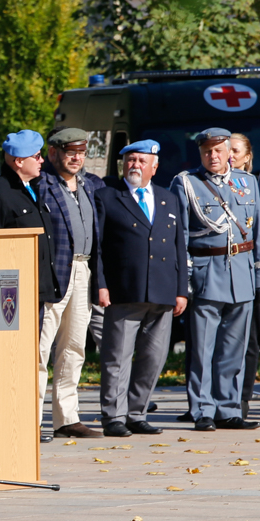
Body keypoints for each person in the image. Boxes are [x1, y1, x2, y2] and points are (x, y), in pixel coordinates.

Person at [174, 128, 260, 432]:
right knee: (202, 349)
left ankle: (228, 409)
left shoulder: (248, 182)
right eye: (206, 152)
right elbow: (180, 237)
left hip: (241, 273)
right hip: (206, 272)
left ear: (230, 152)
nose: (212, 157)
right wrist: (185, 281)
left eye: (218, 151)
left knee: (234, 348)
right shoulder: (187, 183)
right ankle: (202, 409)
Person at [93, 139, 188, 437]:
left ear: (154, 166)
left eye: (141, 161)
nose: (135, 165)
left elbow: (178, 246)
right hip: (124, 290)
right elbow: (97, 247)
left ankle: (137, 413)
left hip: (162, 290)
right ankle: (114, 417)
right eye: (130, 160)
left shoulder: (168, 198)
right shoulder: (107, 197)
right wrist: (101, 285)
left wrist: (182, 289)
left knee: (154, 357)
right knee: (117, 357)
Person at [0, 130, 64, 441]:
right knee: (12, 361)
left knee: (28, 360)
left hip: (35, 290)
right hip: (12, 293)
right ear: (19, 161)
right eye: (36, 157)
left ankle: (25, 422)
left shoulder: (30, 188)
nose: (42, 161)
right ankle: (11, 424)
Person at [37, 127, 105, 439]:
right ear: (53, 153)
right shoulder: (42, 184)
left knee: (75, 347)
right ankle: (32, 420)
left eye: (81, 151)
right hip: (53, 272)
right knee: (40, 348)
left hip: (84, 269)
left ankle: (67, 418)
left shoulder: (91, 185)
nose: (76, 157)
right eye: (69, 151)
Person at [228, 132, 260, 417]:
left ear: (247, 157)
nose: (228, 155)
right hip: (216, 272)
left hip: (247, 272)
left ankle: (242, 397)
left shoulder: (253, 186)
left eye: (235, 150)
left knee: (247, 340)